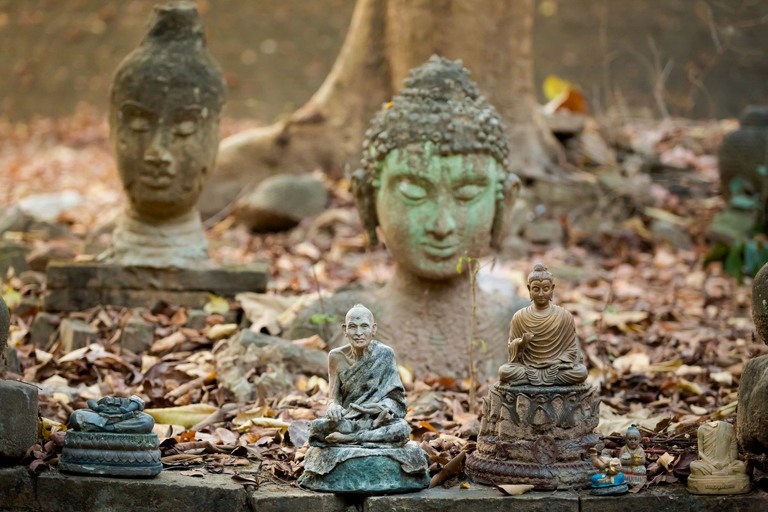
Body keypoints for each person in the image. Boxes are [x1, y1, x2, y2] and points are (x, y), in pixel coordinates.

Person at [289, 56, 526, 378]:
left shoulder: (529, 332)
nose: (441, 225)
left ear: (505, 202)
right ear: (367, 199)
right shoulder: (329, 323)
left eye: (467, 193)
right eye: (414, 193)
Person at [308, 304, 409, 446]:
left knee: (402, 428)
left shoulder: (385, 354)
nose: (359, 332)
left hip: (376, 420)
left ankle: (351, 438)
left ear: (373, 329)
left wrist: (382, 407)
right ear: (345, 330)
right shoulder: (336, 357)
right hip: (348, 420)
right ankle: (365, 436)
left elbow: (396, 398)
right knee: (317, 427)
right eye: (353, 326)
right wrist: (333, 408)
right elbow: (333, 398)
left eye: (364, 326)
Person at [499, 263, 588, 386]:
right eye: (536, 289)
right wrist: (521, 343)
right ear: (529, 289)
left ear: (552, 288)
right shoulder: (519, 317)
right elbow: (511, 352)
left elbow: (572, 350)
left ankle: (528, 382)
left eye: (545, 289)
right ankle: (539, 381)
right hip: (528, 368)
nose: (541, 294)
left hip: (556, 368)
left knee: (580, 372)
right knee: (504, 371)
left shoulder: (564, 316)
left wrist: (556, 362)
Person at [68, 395, 154, 434]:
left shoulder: (129, 403)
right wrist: (96, 407)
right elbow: (91, 401)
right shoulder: (104, 400)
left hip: (125, 420)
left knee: (148, 421)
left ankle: (109, 428)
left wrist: (127, 410)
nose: (115, 401)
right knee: (75, 415)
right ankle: (106, 427)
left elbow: (139, 402)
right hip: (101, 419)